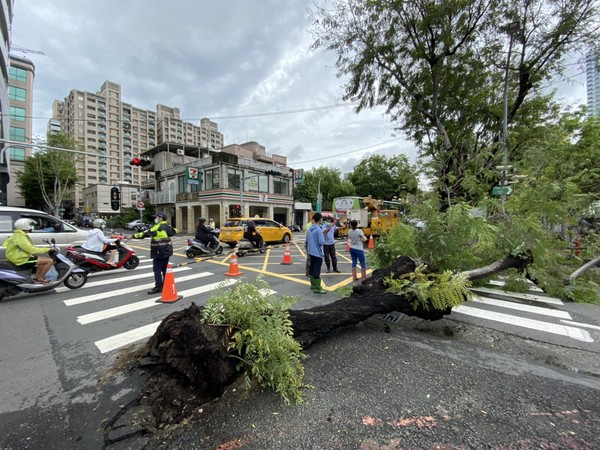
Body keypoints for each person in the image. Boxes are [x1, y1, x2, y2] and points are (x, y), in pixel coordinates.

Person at [127, 212, 177, 295]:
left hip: (159, 251)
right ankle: (165, 284)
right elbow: (175, 231)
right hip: (167, 250)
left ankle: (158, 287)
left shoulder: (158, 227)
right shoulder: (168, 226)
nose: (156, 219)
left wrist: (132, 236)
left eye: (157, 217)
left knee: (157, 269)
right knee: (164, 268)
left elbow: (146, 233)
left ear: (160, 218)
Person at [4, 218, 54, 284]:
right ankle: (40, 279)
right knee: (49, 261)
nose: (31, 226)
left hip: (19, 256)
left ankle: (37, 278)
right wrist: (47, 249)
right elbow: (31, 250)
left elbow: (29, 247)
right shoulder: (21, 237)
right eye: (30, 225)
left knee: (44, 259)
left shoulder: (19, 234)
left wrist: (46, 248)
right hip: (21, 259)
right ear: (25, 226)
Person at [306, 212, 326, 294]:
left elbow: (307, 241)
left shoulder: (310, 229)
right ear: (320, 220)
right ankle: (317, 288)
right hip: (317, 253)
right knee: (317, 269)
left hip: (311, 252)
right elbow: (321, 242)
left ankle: (313, 285)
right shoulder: (318, 230)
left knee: (312, 268)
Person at [348, 219, 367, 284]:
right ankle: (363, 278)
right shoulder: (359, 231)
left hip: (352, 248)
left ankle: (354, 276)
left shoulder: (349, 231)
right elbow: (364, 239)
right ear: (357, 224)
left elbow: (350, 238)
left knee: (354, 262)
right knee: (362, 263)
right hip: (359, 248)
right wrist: (362, 240)